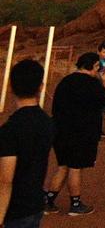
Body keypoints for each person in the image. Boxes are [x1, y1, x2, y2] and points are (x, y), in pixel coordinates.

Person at [43, 52, 105, 216]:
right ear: (94, 66)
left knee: (63, 166)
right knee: (75, 167)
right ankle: (75, 204)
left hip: (61, 131)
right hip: (81, 133)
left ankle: (48, 200)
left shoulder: (65, 81)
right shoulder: (92, 84)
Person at [0, 59, 55, 228]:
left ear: (11, 87)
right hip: (34, 203)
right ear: (41, 86)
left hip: (15, 210)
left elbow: (6, 180)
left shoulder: (10, 129)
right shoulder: (47, 122)